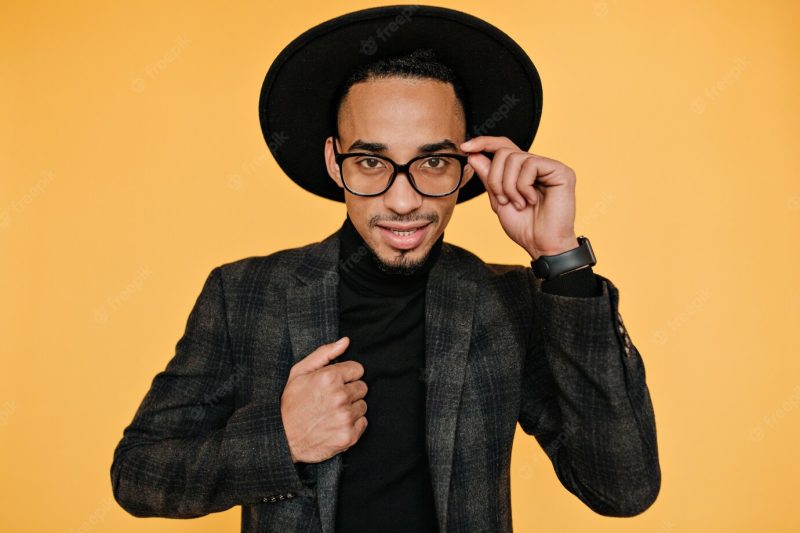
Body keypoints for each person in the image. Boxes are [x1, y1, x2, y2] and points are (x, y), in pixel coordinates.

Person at [111, 5, 660, 532]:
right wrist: (280, 439)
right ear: (334, 160)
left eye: (432, 162)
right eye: (371, 162)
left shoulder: (511, 300)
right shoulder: (244, 293)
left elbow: (622, 488)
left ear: (468, 168)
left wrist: (561, 261)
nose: (402, 201)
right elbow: (138, 476)